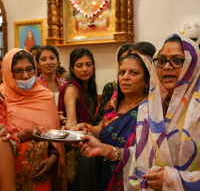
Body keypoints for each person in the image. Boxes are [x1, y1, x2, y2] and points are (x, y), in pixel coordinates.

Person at [78, 34, 200, 191]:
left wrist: (173, 180)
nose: (167, 67)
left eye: (177, 60)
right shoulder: (150, 109)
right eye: (161, 61)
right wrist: (105, 150)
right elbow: (143, 154)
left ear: (193, 65)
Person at [72, 53, 151, 190]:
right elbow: (104, 127)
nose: (125, 77)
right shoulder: (114, 102)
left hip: (136, 179)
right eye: (122, 72)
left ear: (147, 81)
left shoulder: (153, 110)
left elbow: (149, 154)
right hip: (107, 171)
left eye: (134, 73)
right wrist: (88, 128)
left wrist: (108, 150)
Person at [0, 48, 66, 191]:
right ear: (7, 72)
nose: (25, 76)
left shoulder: (46, 97)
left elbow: (54, 135)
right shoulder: (1, 98)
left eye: (29, 69)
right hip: (8, 172)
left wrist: (53, 158)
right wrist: (26, 135)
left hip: (40, 172)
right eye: (18, 71)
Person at [58, 47, 100, 191]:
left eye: (88, 64)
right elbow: (71, 122)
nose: (85, 69)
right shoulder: (72, 89)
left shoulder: (88, 87)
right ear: (71, 68)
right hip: (80, 149)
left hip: (90, 143)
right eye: (79, 65)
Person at [96, 43, 133, 123]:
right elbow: (101, 120)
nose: (127, 63)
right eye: (123, 60)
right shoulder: (111, 88)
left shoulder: (148, 100)